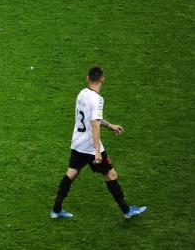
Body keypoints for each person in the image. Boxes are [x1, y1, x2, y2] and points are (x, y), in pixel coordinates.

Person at [51, 66, 147, 219]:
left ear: (88, 78)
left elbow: (91, 117)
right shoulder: (98, 99)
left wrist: (110, 125)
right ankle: (127, 211)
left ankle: (56, 209)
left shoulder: (82, 93)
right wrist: (97, 151)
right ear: (102, 79)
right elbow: (94, 123)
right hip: (90, 146)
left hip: (77, 141)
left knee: (72, 173)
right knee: (110, 174)